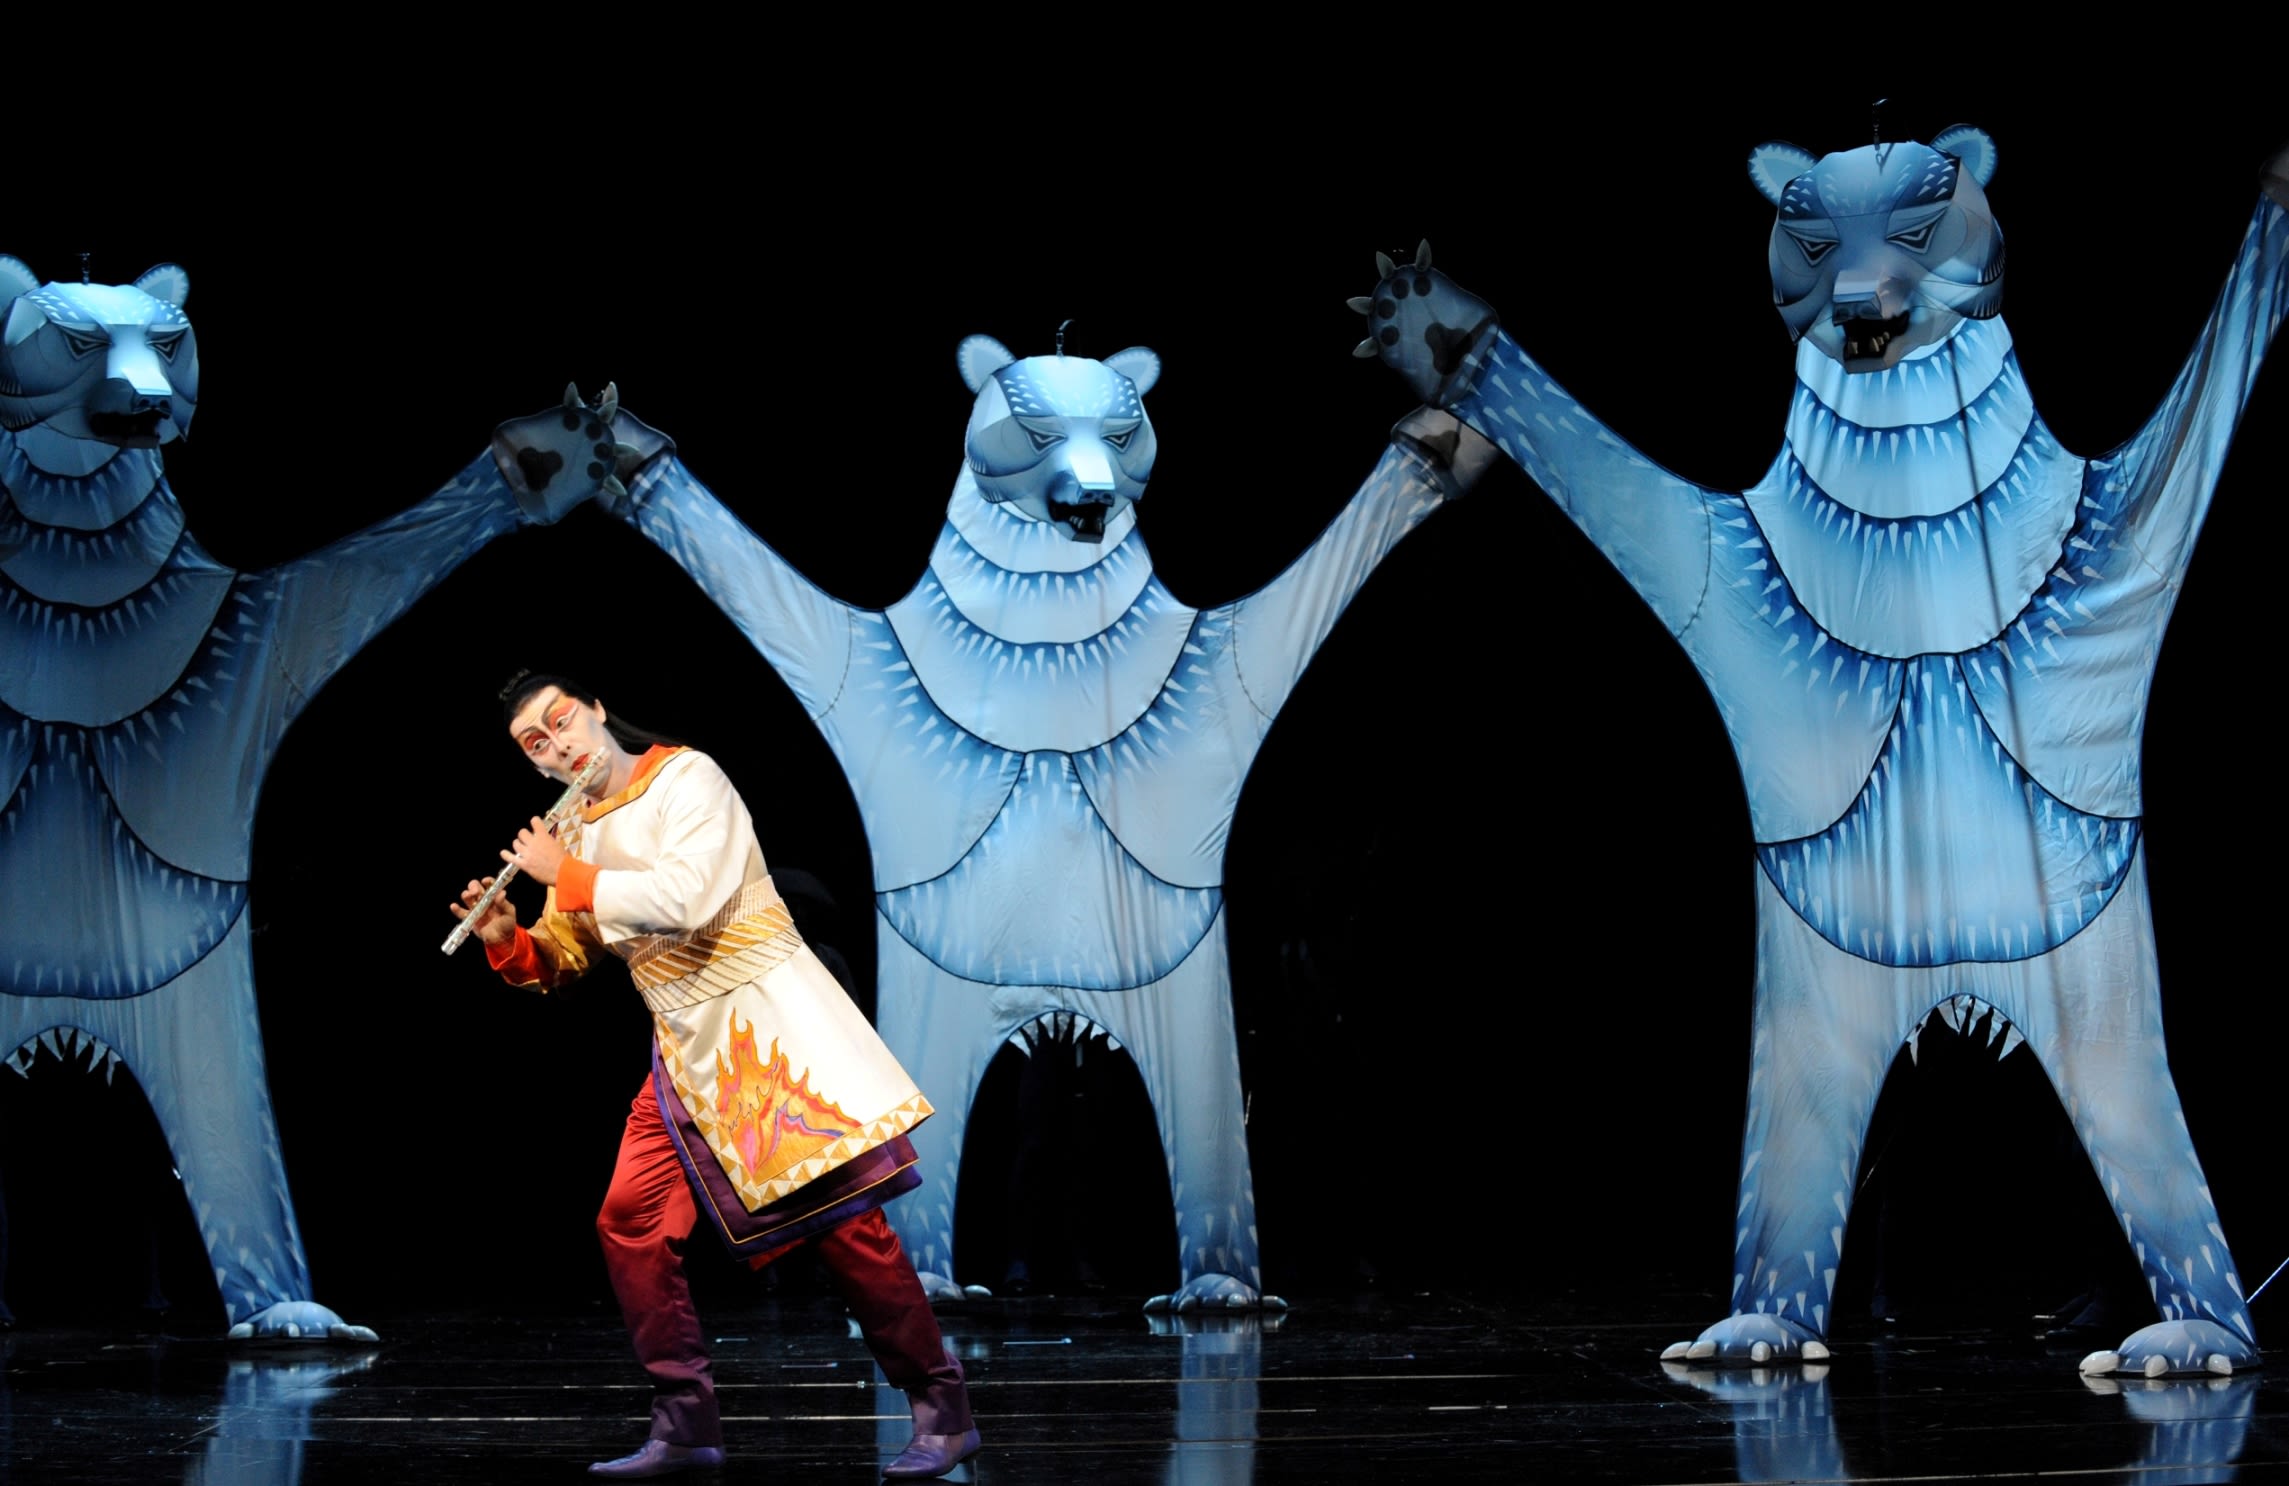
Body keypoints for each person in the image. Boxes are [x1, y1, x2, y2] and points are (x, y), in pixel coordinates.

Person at [450, 673, 979, 1481]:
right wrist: (506, 934)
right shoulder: (577, 832)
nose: (558, 746)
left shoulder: (689, 777)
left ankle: (942, 1409)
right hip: (682, 1054)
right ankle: (684, 1423)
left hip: (765, 1040)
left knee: (846, 1232)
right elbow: (565, 957)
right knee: (628, 1221)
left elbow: (690, 897)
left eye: (562, 723)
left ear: (594, 709)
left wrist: (569, 875)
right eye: (537, 744)